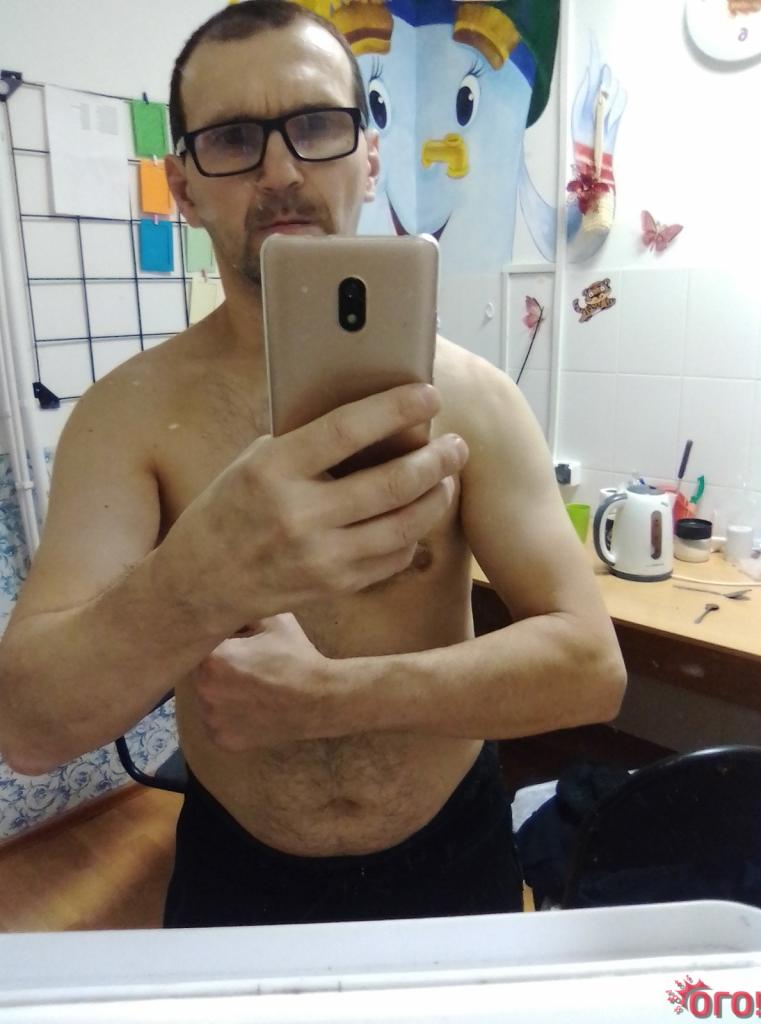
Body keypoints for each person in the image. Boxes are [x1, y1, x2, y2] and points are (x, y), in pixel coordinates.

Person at [0, 0, 626, 927]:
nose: (282, 171)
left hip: (452, 854)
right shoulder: (124, 419)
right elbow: (29, 726)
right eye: (232, 139)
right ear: (184, 188)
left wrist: (329, 698)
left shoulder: (475, 398)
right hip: (236, 869)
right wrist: (205, 573)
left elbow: (592, 668)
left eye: (317, 126)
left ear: (369, 156)